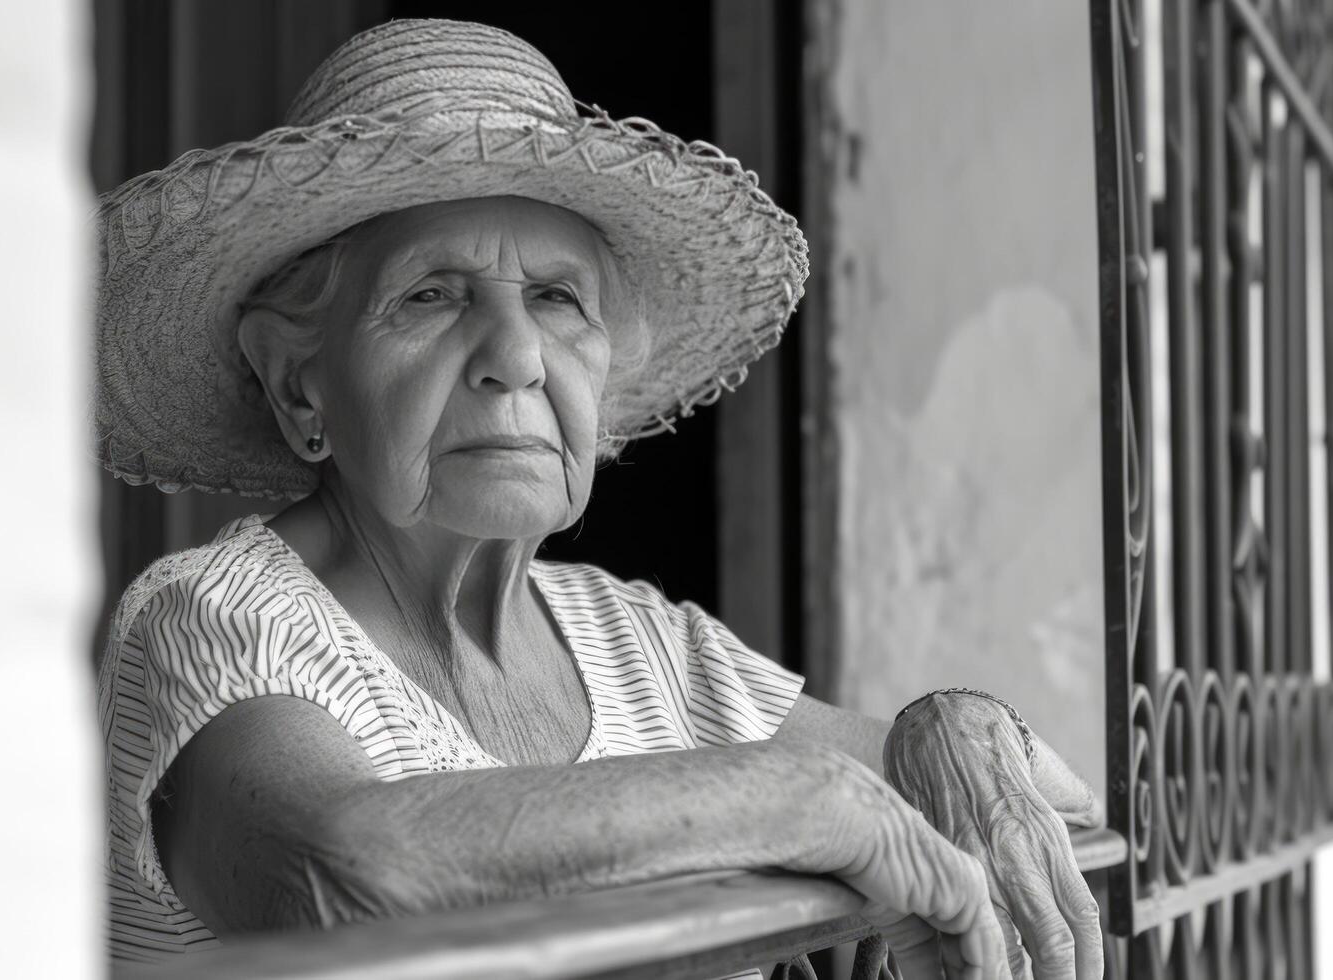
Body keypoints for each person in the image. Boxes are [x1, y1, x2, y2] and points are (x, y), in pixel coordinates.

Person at [95, 19, 1103, 979]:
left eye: (557, 297)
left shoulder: (636, 639)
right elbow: (342, 874)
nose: (516, 356)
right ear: (299, 385)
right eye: (430, 294)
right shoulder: (216, 618)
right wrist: (789, 798)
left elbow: (1046, 794)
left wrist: (951, 733)